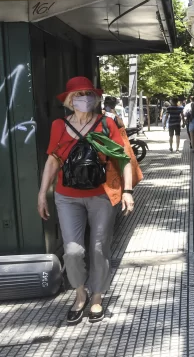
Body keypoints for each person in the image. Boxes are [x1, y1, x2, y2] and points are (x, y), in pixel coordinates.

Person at [37, 77, 134, 324]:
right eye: (78, 94)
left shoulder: (107, 123)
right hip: (67, 197)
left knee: (99, 248)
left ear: (95, 97)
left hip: (102, 195)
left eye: (88, 93)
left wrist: (128, 191)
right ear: (70, 100)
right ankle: (80, 294)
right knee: (72, 251)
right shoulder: (59, 125)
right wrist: (42, 194)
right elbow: (52, 160)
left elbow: (123, 158)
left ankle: (97, 297)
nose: (84, 98)